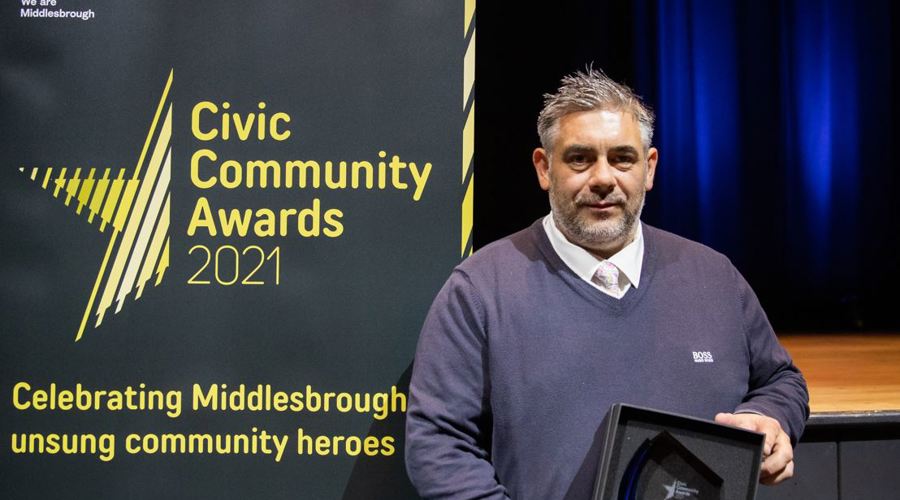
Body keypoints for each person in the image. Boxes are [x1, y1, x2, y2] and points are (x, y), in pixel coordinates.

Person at [405, 68, 809, 500]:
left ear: (648, 168)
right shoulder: (481, 289)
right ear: (544, 168)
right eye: (580, 158)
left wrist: (771, 418)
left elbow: (781, 381)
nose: (602, 178)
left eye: (622, 158)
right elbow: (437, 444)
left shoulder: (713, 276)